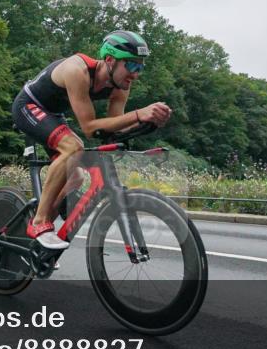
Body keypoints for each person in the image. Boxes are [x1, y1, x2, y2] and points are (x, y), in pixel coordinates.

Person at [11, 30, 171, 249]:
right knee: (74, 148)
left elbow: (113, 125)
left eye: (140, 67)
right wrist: (138, 114)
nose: (136, 74)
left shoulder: (121, 84)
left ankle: (43, 226)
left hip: (54, 114)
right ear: (109, 60)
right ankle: (38, 223)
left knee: (75, 176)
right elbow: (89, 128)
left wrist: (148, 123)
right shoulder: (77, 71)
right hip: (29, 106)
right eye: (132, 65)